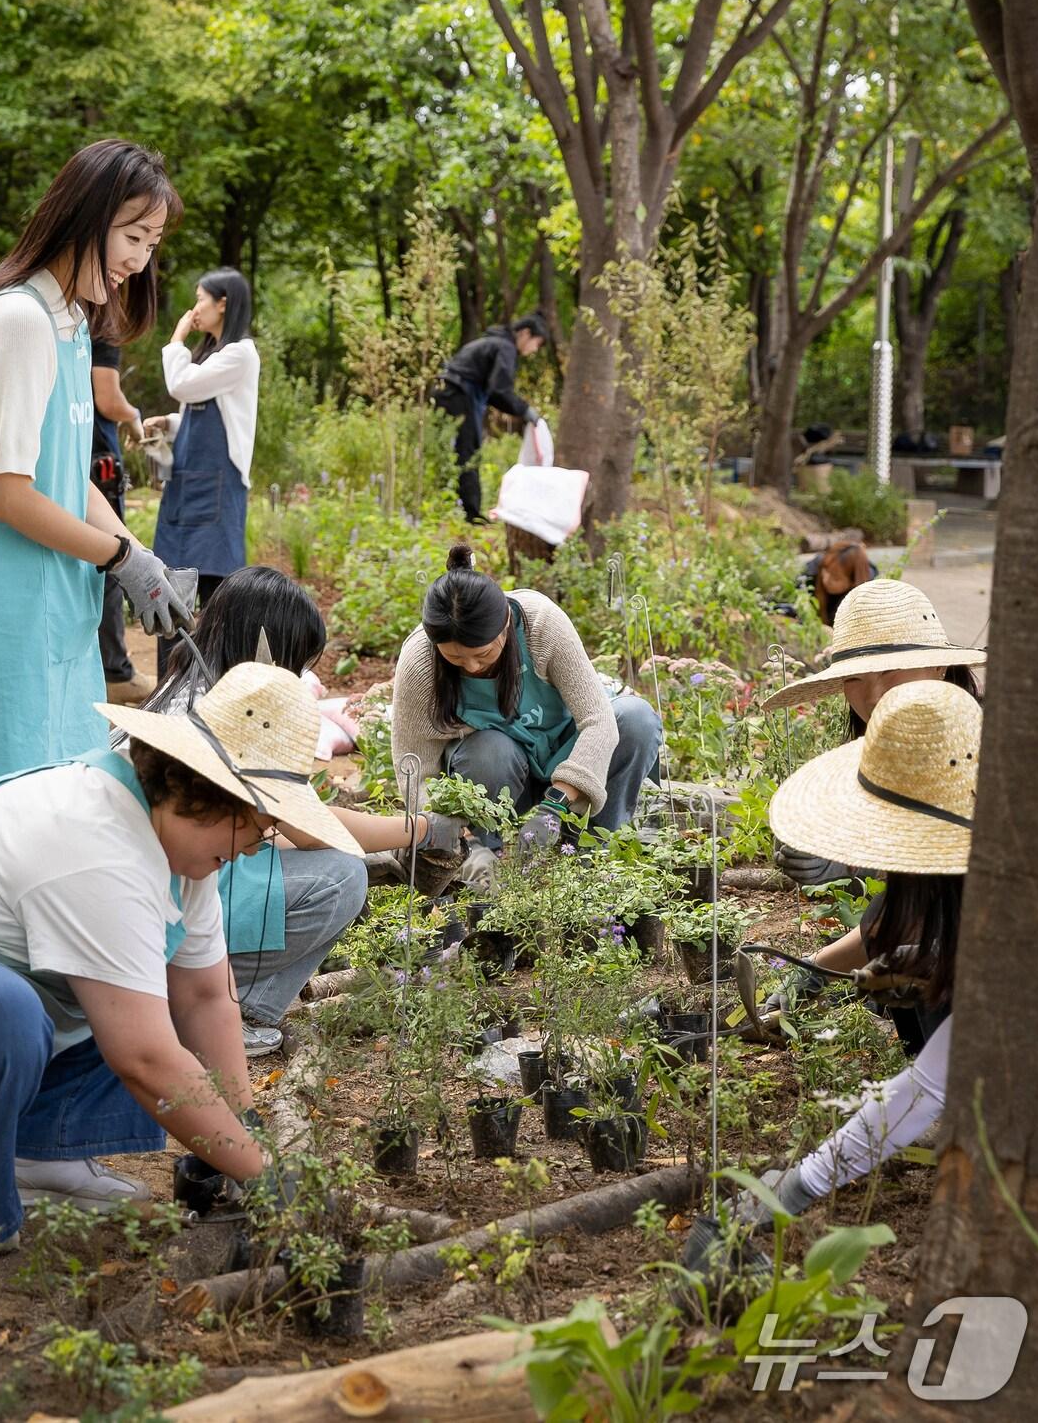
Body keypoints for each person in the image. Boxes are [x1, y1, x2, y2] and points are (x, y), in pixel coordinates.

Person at [0, 662, 358, 1252]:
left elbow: (204, 998)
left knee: (131, 991)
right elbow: (145, 1058)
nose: (257, 848)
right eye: (257, 826)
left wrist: (243, 1135)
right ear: (208, 796)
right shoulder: (98, 843)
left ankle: (38, 1154)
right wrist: (264, 1175)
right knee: (8, 1011)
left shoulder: (178, 848)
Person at [0, 139, 194, 842]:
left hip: (40, 605)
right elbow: (9, 495)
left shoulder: (70, 324)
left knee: (35, 803)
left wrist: (137, 552)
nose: (140, 260)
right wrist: (119, 559)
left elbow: (65, 475)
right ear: (86, 216)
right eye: (133, 237)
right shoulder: (20, 322)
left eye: (152, 244)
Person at [147, 566, 465, 1055]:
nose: (297, 678)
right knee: (340, 878)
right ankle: (230, 1008)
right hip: (169, 912)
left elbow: (276, 827)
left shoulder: (184, 688)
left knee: (308, 862)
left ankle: (218, 1002)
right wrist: (423, 828)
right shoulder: (238, 712)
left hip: (148, 899)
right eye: (294, 662)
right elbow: (312, 829)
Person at [736, 678, 976, 1227]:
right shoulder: (965, 883)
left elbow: (927, 1086)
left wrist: (800, 1185)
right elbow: (897, 916)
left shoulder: (1013, 921)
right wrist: (815, 974)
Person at [391, 546, 664, 890]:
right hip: (497, 774)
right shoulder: (420, 661)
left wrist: (555, 807)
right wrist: (443, 830)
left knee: (636, 719)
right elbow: (414, 766)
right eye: (456, 658)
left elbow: (598, 720)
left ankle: (592, 855)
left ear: (505, 624)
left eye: (482, 654)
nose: (471, 666)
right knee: (490, 749)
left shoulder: (541, 623)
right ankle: (479, 853)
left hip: (566, 759)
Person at [763, 579, 984, 890]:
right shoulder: (869, 757)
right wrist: (813, 837)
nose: (872, 695)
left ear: (939, 667)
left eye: (889, 671)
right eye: (854, 679)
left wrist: (850, 866)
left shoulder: (983, 752)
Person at [148, 268, 260, 678]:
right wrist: (168, 423)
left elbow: (181, 385)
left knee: (215, 597)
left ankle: (210, 688)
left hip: (217, 489)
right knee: (171, 591)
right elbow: (202, 416)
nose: (194, 308)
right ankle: (168, 688)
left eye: (200, 299)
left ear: (223, 303)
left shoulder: (240, 354)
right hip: (186, 488)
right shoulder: (214, 356)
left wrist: (176, 340)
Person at [431, 313, 547, 524]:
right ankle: (470, 515)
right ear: (525, 333)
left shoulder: (492, 342)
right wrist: (525, 410)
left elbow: (494, 393)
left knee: (448, 451)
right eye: (536, 343)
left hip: (445, 392)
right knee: (468, 452)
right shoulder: (505, 348)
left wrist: (520, 410)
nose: (535, 350)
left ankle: (447, 506)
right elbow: (500, 390)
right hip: (460, 395)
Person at [90, 337, 154, 705]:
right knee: (111, 564)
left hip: (74, 458)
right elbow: (108, 399)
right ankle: (115, 671)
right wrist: (133, 416)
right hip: (99, 463)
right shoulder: (104, 325)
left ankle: (101, 668)